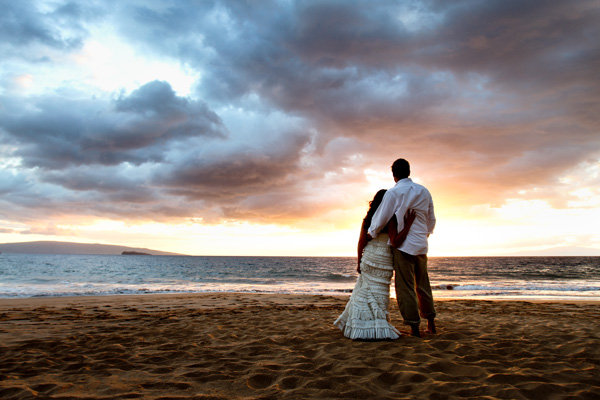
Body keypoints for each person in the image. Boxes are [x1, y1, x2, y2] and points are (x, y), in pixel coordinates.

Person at [334, 189, 416, 340]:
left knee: (363, 291)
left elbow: (361, 242)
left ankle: (359, 328)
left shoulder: (368, 219)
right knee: (379, 294)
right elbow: (396, 241)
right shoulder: (391, 218)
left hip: (370, 256)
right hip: (383, 259)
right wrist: (409, 224)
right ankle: (377, 326)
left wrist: (359, 261)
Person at [368, 158, 436, 338]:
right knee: (423, 284)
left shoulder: (393, 193)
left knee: (405, 286)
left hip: (404, 246)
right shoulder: (424, 191)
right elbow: (431, 218)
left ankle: (414, 327)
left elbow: (382, 216)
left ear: (394, 174)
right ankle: (431, 323)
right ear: (409, 171)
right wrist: (425, 234)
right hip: (421, 244)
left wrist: (372, 232)